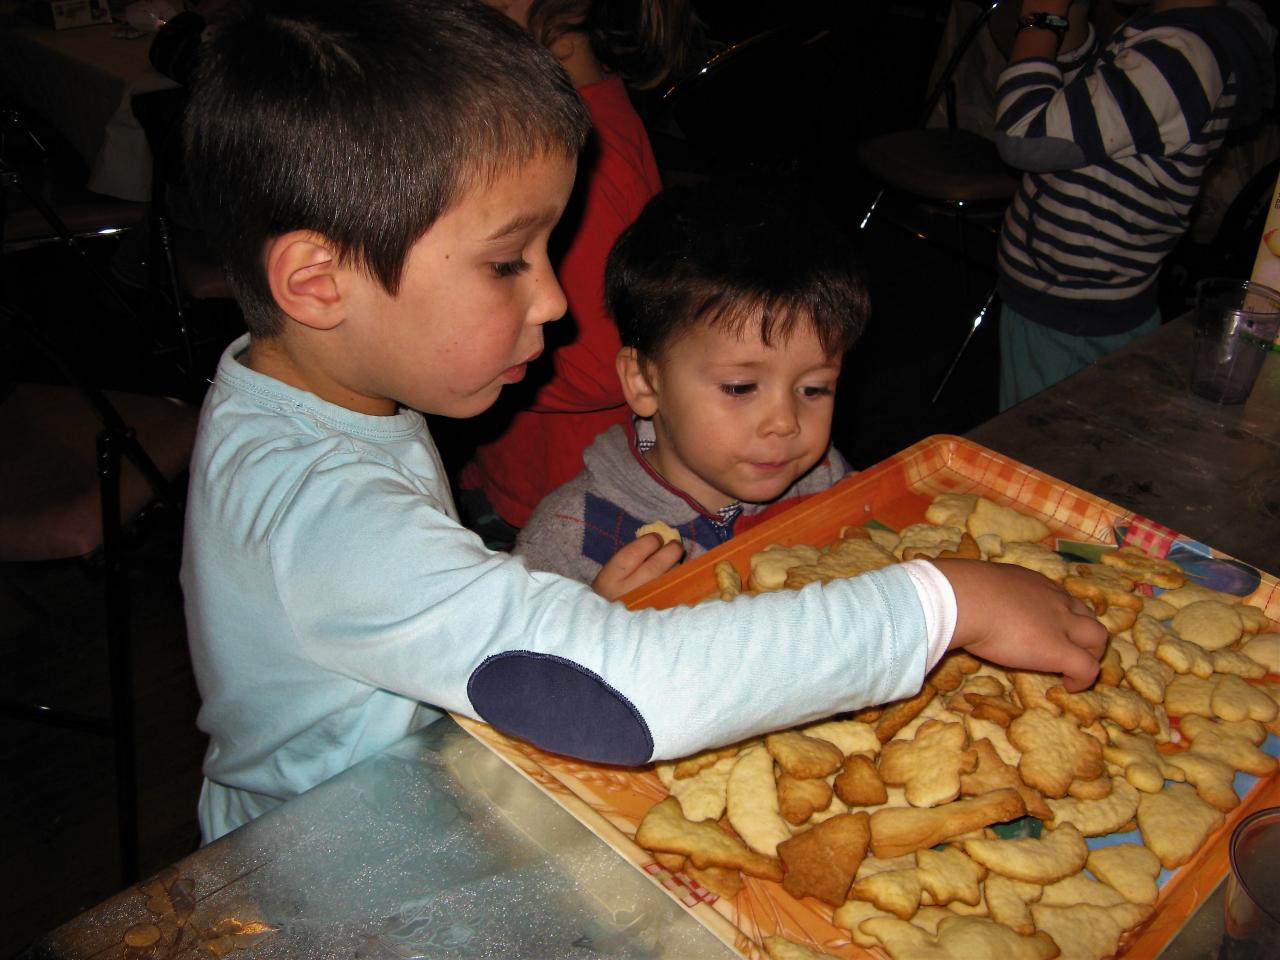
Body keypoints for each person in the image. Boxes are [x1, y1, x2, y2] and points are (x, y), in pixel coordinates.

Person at [180, 0, 1107, 843]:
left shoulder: (304, 393)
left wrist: (567, 621)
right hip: (322, 859)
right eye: (509, 262)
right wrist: (943, 600)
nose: (552, 300)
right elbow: (625, 691)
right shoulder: (326, 513)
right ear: (316, 282)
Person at [516, 179, 862, 596]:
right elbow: (514, 656)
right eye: (740, 387)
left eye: (814, 389)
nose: (786, 423)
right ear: (644, 381)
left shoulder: (824, 479)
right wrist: (597, 623)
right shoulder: (574, 536)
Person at [455, 0, 703, 550]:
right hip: (530, 466)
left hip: (560, 495)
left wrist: (450, 348)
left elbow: (600, 367)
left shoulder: (577, 146)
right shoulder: (585, 114)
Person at [993, 0, 1275, 409]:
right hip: (1087, 298)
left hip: (1069, 308)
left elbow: (1025, 137)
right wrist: (1067, 23)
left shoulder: (1179, 54)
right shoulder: (1173, 37)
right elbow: (1082, 110)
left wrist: (1040, 18)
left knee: (1035, 455)